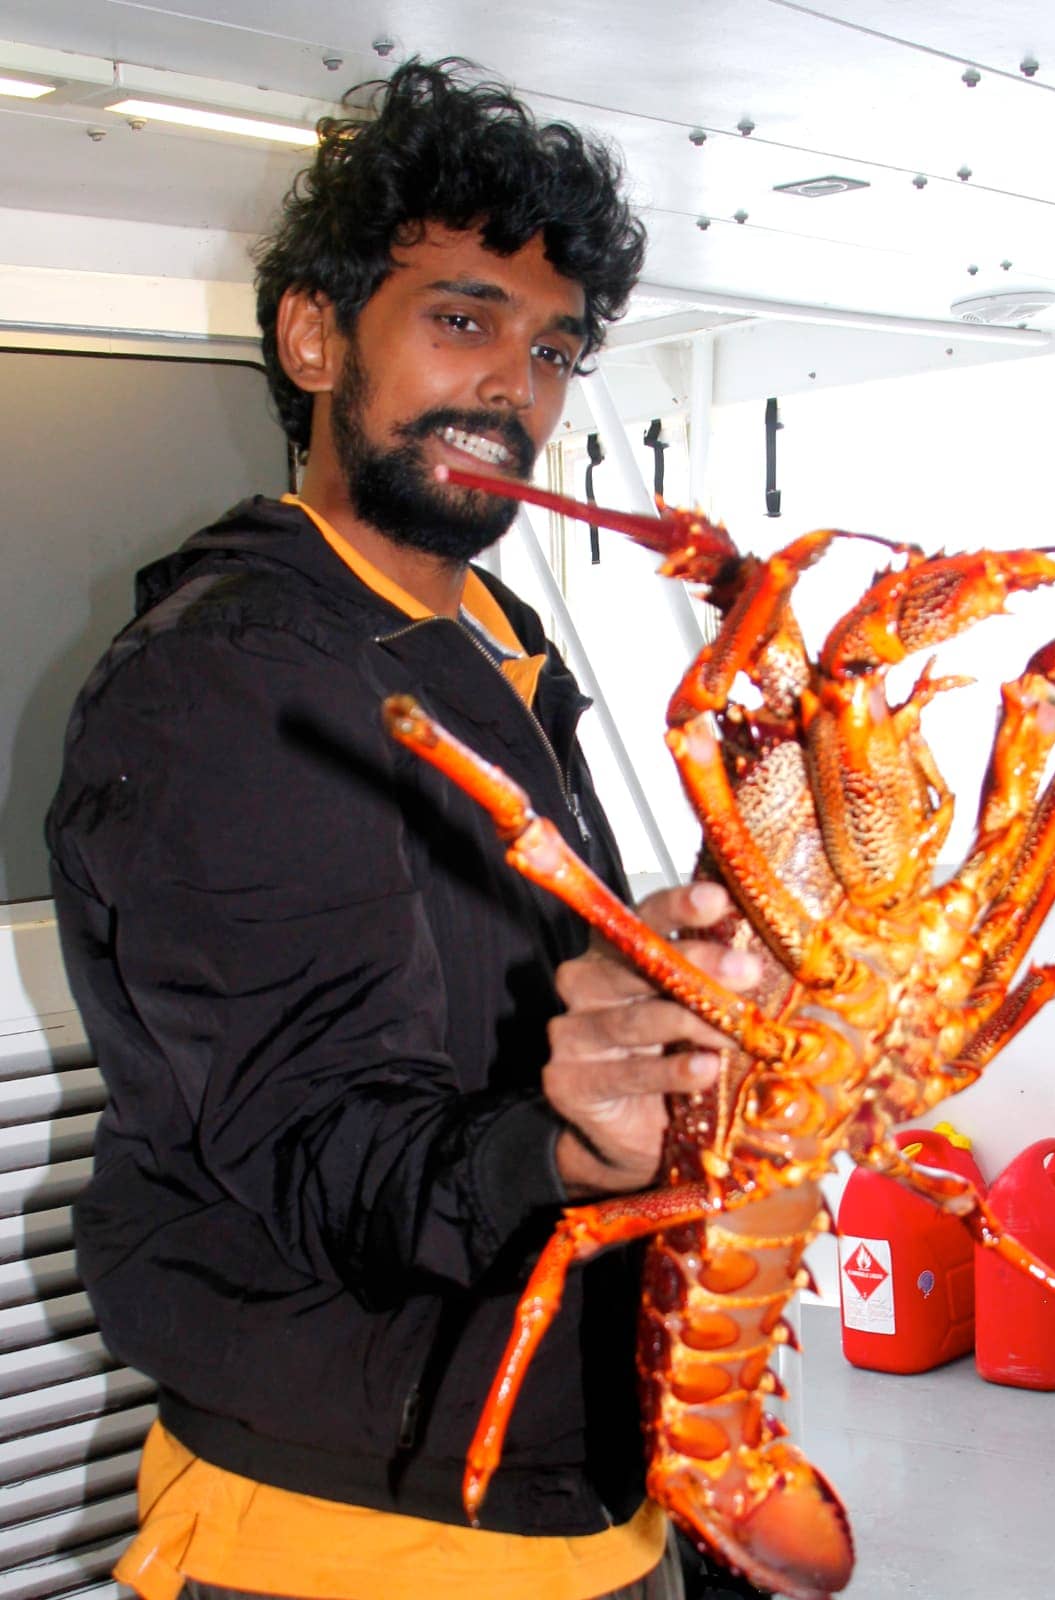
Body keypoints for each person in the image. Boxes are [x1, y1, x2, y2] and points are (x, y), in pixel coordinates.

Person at [47, 58, 762, 1600]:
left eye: (553, 347)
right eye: (461, 318)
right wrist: (570, 1141)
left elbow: (475, 979)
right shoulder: (232, 684)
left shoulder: (486, 632)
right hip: (365, 1528)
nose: (515, 383)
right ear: (316, 336)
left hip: (583, 1464)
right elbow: (319, 1144)